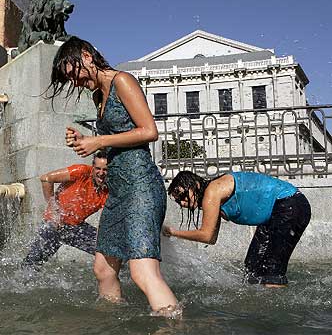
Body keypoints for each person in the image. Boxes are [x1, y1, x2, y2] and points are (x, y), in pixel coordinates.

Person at [49, 36, 179, 317]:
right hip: (118, 192)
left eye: (74, 75)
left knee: (143, 273)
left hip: (141, 187)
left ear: (86, 56)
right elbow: (114, 140)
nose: (75, 83)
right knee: (103, 269)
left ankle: (175, 325)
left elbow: (148, 131)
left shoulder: (123, 81)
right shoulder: (98, 96)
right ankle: (114, 323)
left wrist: (98, 141)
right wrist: (88, 140)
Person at [163, 170, 311, 287]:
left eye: (182, 195)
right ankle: (260, 308)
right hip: (275, 214)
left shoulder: (212, 191)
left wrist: (172, 232)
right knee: (251, 269)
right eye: (177, 201)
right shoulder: (212, 198)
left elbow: (206, 235)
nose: (182, 202)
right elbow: (212, 239)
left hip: (290, 204)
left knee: (272, 271)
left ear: (195, 185)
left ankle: (276, 316)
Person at [22, 151, 108, 268]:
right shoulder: (81, 171)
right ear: (92, 168)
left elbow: (106, 220)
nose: (101, 173)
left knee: (109, 250)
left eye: (105, 170)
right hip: (55, 224)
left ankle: (114, 278)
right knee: (31, 265)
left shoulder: (107, 191)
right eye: (98, 168)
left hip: (77, 229)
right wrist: (54, 210)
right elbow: (46, 179)